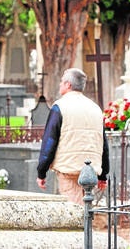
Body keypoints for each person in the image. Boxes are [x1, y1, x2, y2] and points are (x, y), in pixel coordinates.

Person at [36, 68, 109, 204]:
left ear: (68, 85)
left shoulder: (60, 107)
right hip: (91, 170)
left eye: (62, 82)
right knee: (86, 209)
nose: (60, 84)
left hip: (68, 169)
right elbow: (103, 143)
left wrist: (41, 172)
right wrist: (103, 175)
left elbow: (49, 142)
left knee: (73, 212)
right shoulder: (95, 108)